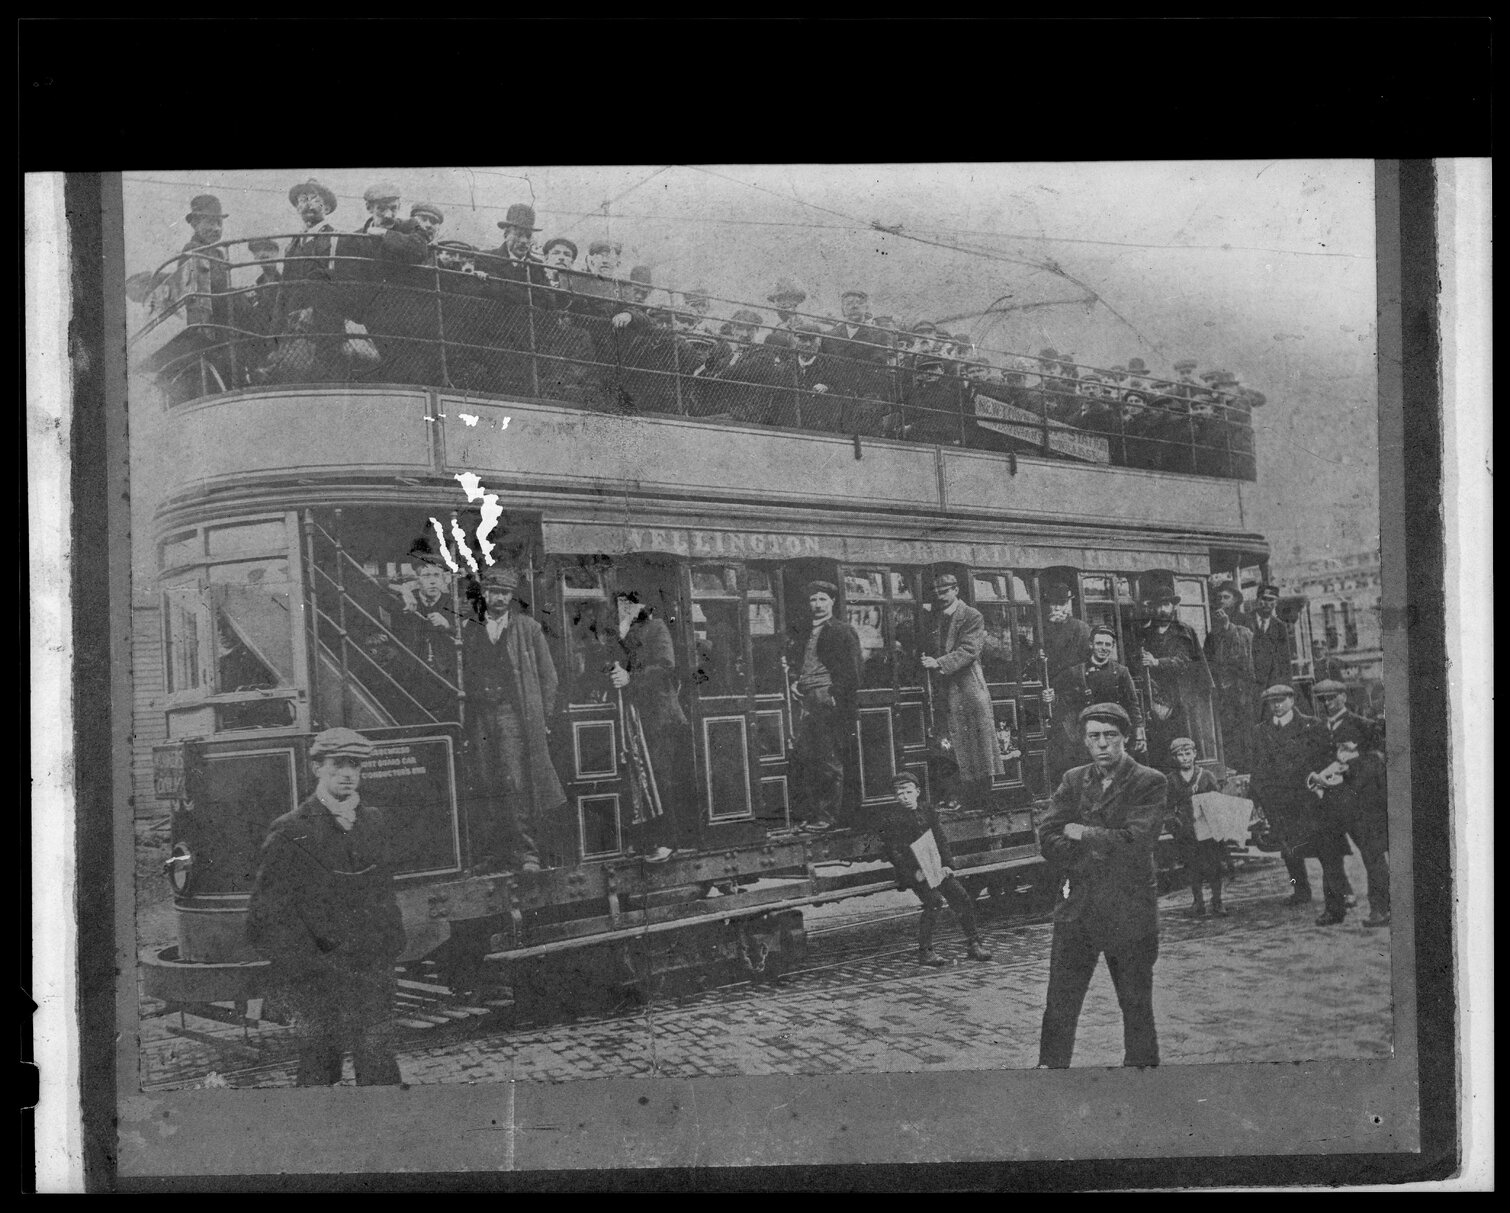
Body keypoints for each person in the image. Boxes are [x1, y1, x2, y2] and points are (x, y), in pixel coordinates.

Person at [245, 728, 404, 1087]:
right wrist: (305, 968)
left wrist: (389, 948)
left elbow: (385, 894)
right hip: (317, 983)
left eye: (355, 765)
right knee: (318, 1070)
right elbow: (264, 918)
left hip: (370, 975)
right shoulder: (289, 832)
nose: (347, 773)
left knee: (379, 1067)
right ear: (317, 767)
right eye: (337, 764)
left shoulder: (374, 822)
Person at [1037, 703, 1166, 1069]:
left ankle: (1141, 1076)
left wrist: (1082, 833)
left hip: (1129, 912)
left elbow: (1137, 841)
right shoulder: (1074, 780)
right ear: (1085, 740)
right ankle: (1050, 1074)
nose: (1102, 744)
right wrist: (1090, 851)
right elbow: (1047, 836)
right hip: (1077, 910)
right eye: (1094, 736)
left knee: (1135, 1003)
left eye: (1111, 736)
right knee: (1060, 1002)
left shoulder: (1149, 781)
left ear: (1125, 738)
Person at [460, 564, 568, 871]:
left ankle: (527, 853)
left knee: (516, 783)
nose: (499, 599)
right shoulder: (471, 628)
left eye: (505, 593)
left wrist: (540, 717)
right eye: (494, 592)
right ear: (485, 593)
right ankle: (495, 854)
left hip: (513, 715)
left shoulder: (528, 628)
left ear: (511, 597)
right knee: (486, 781)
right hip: (481, 714)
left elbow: (550, 678)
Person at [607, 588, 695, 861]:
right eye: (619, 602)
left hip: (660, 715)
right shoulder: (617, 632)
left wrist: (631, 678)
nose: (624, 607)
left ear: (639, 604)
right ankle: (646, 840)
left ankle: (668, 841)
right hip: (634, 717)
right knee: (638, 778)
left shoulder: (655, 627)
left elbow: (666, 667)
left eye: (628, 602)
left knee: (659, 777)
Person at [1252, 684, 1349, 923]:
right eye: (1272, 701)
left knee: (1325, 849)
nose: (1277, 705)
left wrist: (1316, 783)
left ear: (1292, 700)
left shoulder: (1311, 725)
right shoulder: (1261, 731)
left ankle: (1344, 892)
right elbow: (1258, 767)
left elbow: (1324, 758)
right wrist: (1258, 798)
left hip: (1308, 798)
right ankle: (1300, 889)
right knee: (1288, 849)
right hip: (1278, 801)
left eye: (1281, 700)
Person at [875, 771, 993, 966]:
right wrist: (913, 874)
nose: (904, 797)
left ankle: (974, 944)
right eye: (899, 794)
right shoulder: (891, 819)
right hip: (915, 873)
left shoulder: (927, 811)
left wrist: (947, 865)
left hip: (934, 866)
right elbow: (894, 853)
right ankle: (925, 951)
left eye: (908, 792)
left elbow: (940, 839)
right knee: (934, 901)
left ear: (917, 792)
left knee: (961, 896)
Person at [922, 573, 1005, 812]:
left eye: (945, 591)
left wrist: (937, 663)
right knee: (949, 746)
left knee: (976, 745)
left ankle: (979, 799)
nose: (940, 596)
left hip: (968, 689)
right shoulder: (937, 617)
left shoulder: (971, 616)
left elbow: (969, 650)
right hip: (944, 691)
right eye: (937, 593)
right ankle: (954, 797)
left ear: (956, 590)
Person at [787, 580, 862, 831]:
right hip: (807, 699)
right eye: (813, 600)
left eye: (822, 599)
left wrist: (833, 695)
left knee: (828, 759)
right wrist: (796, 681)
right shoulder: (807, 631)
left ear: (832, 602)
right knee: (809, 757)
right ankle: (814, 812)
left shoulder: (841, 630)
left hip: (826, 700)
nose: (817, 605)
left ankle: (828, 817)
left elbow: (852, 672)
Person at [1307, 719, 1390, 927]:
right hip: (1333, 807)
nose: (1341, 749)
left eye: (1347, 745)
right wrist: (1319, 781)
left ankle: (1381, 909)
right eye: (1339, 746)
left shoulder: (1370, 759)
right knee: (1329, 856)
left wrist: (1346, 773)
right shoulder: (1330, 752)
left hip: (1362, 810)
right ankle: (1335, 908)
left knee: (1372, 855)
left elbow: (1369, 782)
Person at [269, 178, 348, 385]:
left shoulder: (334, 238)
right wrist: (276, 329)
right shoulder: (293, 244)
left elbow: (338, 281)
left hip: (325, 325)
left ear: (327, 207)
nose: (307, 204)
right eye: (302, 200)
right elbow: (284, 289)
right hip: (294, 325)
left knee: (325, 376)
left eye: (314, 199)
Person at [1046, 625, 1146, 785]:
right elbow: (1062, 700)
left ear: (1112, 647)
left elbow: (1133, 704)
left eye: (1108, 645)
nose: (1103, 648)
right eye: (1099, 643)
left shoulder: (1121, 672)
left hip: (1113, 733)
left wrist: (1140, 732)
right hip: (1086, 736)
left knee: (1115, 776)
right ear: (1091, 645)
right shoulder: (1075, 673)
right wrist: (1051, 698)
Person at [1136, 574, 1208, 769]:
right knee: (1159, 746)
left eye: (1166, 605)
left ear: (1173, 607)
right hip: (1157, 699)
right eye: (1159, 605)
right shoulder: (1146, 634)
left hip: (1180, 698)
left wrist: (1156, 662)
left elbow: (1184, 661)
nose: (1162, 610)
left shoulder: (1182, 631)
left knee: (1182, 743)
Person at [1165, 737, 1225, 918]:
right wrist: (1174, 824)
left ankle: (1217, 901)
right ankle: (1198, 902)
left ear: (1195, 754)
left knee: (1214, 866)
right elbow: (1166, 807)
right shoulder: (1171, 780)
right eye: (1180, 755)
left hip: (1206, 829)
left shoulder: (1206, 776)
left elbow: (1217, 801)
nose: (1184, 758)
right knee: (1192, 867)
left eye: (1188, 753)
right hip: (1186, 831)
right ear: (1174, 758)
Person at [1205, 580, 1257, 773]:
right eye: (1219, 598)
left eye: (1226, 597)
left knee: (1244, 732)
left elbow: (1245, 654)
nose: (1222, 601)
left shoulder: (1244, 620)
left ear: (1235, 599)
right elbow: (1208, 655)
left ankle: (1246, 771)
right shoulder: (1213, 624)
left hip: (1241, 690)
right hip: (1221, 690)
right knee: (1225, 731)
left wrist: (1227, 627)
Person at [1244, 584, 1292, 716]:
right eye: (1264, 598)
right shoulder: (1244, 621)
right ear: (1257, 600)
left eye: (1271, 600)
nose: (1267, 603)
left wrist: (1287, 688)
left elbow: (1285, 660)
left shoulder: (1280, 627)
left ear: (1276, 602)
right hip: (1250, 685)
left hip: (1272, 684)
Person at [1041, 581, 1092, 682]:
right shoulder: (1043, 627)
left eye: (1061, 603)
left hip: (1073, 683)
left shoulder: (1081, 628)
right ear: (1049, 605)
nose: (1057, 608)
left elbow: (1088, 660)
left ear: (1068, 604)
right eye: (1054, 603)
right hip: (1049, 684)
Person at [762, 277, 809, 348]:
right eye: (777, 300)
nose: (779, 304)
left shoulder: (801, 325)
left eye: (782, 299)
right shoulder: (779, 325)